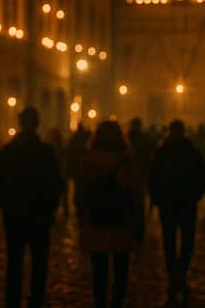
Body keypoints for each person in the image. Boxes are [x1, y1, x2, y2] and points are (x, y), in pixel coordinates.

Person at [0, 107, 63, 308]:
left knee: (14, 260)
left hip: (14, 214)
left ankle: (13, 299)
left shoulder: (7, 152)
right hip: (39, 214)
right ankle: (36, 297)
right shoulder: (46, 152)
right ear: (37, 123)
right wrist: (51, 206)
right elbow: (55, 183)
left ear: (20, 123)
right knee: (39, 261)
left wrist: (5, 203)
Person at [76, 120, 144, 308]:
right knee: (121, 269)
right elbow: (136, 194)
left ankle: (100, 302)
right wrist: (139, 222)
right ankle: (117, 302)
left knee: (99, 269)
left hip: (96, 222)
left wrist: (81, 216)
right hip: (121, 222)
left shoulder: (88, 160)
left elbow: (81, 192)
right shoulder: (126, 161)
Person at [148, 119, 205, 299]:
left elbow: (152, 176)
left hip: (168, 203)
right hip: (187, 202)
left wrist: (156, 197)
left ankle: (173, 274)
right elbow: (202, 175)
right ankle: (181, 272)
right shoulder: (192, 151)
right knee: (187, 241)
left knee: (169, 240)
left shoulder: (162, 151)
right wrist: (196, 194)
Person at [65, 123, 91, 216]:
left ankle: (78, 207)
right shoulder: (85, 142)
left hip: (76, 167)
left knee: (78, 187)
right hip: (81, 168)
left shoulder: (73, 140)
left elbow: (69, 153)